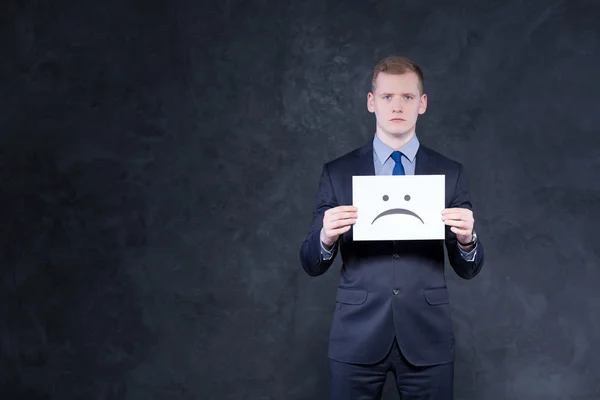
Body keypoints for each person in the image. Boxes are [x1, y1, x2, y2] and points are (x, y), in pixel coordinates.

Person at [299, 56, 485, 400]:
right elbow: (311, 263)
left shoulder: (450, 172)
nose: (397, 105)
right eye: (387, 97)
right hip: (356, 336)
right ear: (372, 102)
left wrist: (467, 240)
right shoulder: (337, 172)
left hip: (428, 338)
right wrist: (325, 238)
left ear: (422, 104)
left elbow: (468, 269)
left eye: (407, 97)